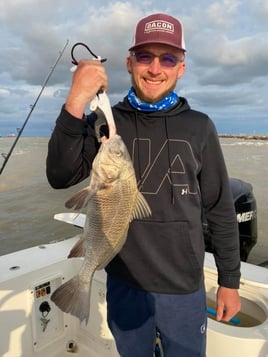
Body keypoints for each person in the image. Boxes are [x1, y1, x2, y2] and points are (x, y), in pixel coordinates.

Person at [46, 13, 241, 357]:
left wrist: (229, 281)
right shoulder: (106, 121)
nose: (155, 68)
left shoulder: (200, 127)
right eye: (145, 56)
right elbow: (59, 176)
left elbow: (221, 209)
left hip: (184, 286)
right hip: (126, 282)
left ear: (181, 67)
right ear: (129, 62)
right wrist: (76, 99)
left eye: (168, 58)